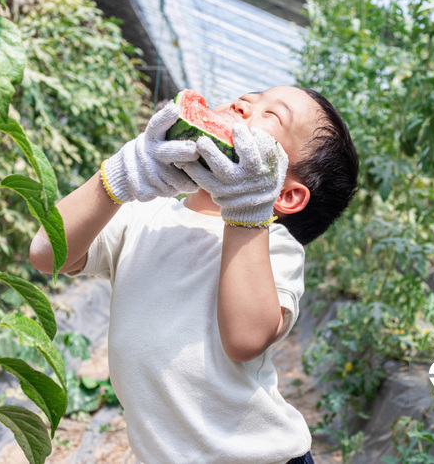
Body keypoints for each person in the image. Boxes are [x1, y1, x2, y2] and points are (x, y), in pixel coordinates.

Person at [29, 85, 358, 464]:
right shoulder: (144, 217)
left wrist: (249, 212)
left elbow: (246, 338)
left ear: (284, 194)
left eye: (272, 115)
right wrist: (119, 177)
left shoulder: (272, 248)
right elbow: (46, 254)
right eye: (250, 97)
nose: (242, 104)